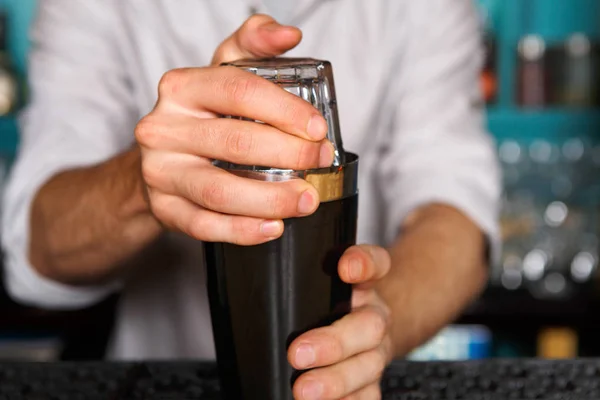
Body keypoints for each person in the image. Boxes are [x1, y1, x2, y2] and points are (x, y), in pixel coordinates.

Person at [2, 0, 500, 398]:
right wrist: (142, 180)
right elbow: (39, 253)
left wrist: (378, 321)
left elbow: (456, 214)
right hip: (156, 380)